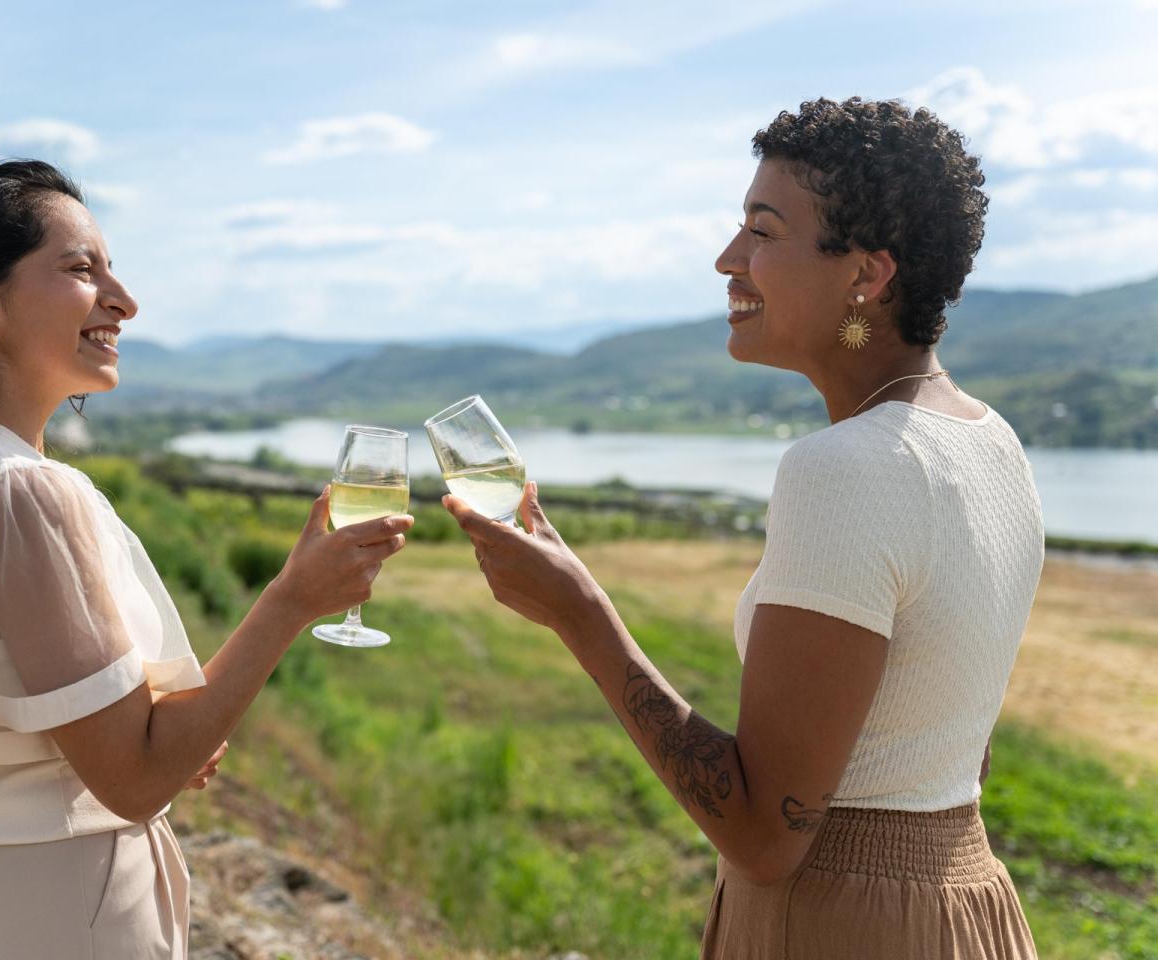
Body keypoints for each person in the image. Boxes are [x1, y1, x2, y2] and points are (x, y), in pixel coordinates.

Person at [444, 97, 1043, 958]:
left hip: (840, 926)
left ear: (866, 275)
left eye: (763, 232)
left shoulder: (843, 468)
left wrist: (579, 612)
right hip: (963, 904)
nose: (729, 260)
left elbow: (767, 837)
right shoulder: (990, 443)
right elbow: (954, 753)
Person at [0, 159, 413, 958]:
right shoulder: (22, 493)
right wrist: (291, 600)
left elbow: (59, 724)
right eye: (82, 268)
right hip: (49, 911)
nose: (123, 299)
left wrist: (167, 729)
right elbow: (133, 778)